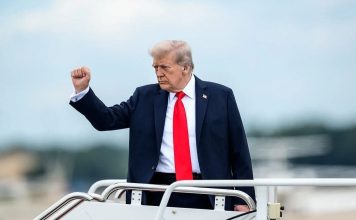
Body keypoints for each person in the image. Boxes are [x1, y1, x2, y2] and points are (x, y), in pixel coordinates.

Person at [69, 40, 255, 211]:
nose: (158, 73)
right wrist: (82, 90)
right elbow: (106, 120)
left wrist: (244, 198)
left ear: (185, 67)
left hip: (209, 195)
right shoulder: (144, 97)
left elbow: (239, 152)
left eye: (165, 67)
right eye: (155, 67)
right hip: (155, 194)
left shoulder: (221, 96)